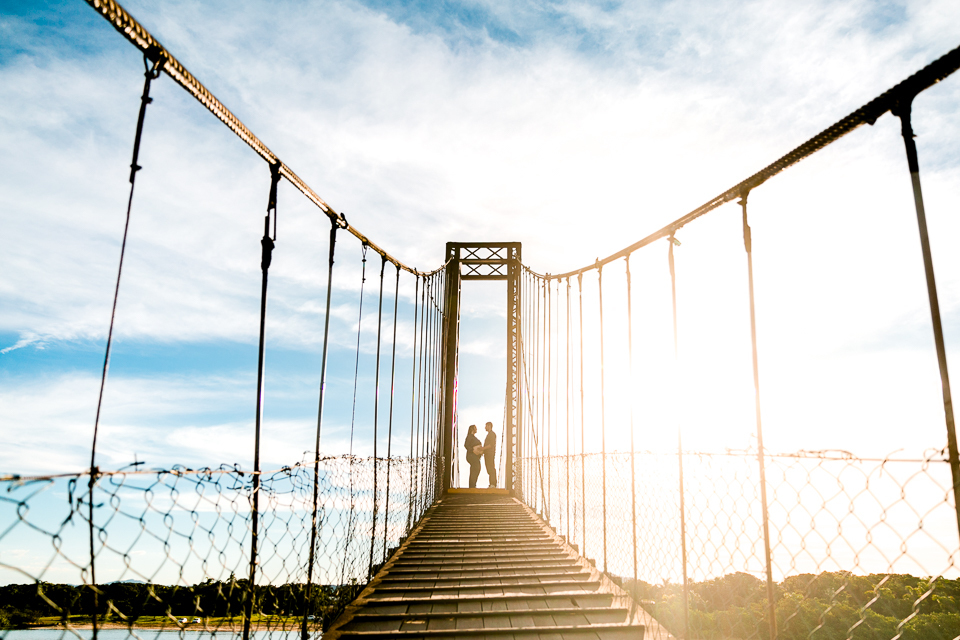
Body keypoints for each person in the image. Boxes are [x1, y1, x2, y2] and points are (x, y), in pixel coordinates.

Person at [464, 424, 482, 488]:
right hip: (471, 455)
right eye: (475, 428)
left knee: (474, 469)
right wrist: (473, 450)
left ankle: (472, 485)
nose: (476, 429)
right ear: (472, 429)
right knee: (476, 468)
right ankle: (472, 485)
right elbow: (466, 445)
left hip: (475, 456)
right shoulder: (470, 436)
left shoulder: (473, 437)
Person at [481, 422, 497, 487]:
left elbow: (491, 445)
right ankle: (492, 484)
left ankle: (493, 484)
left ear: (489, 426)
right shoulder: (490, 434)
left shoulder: (492, 434)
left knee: (491, 468)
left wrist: (483, 448)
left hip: (490, 454)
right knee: (489, 469)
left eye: (486, 426)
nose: (485, 427)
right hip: (487, 454)